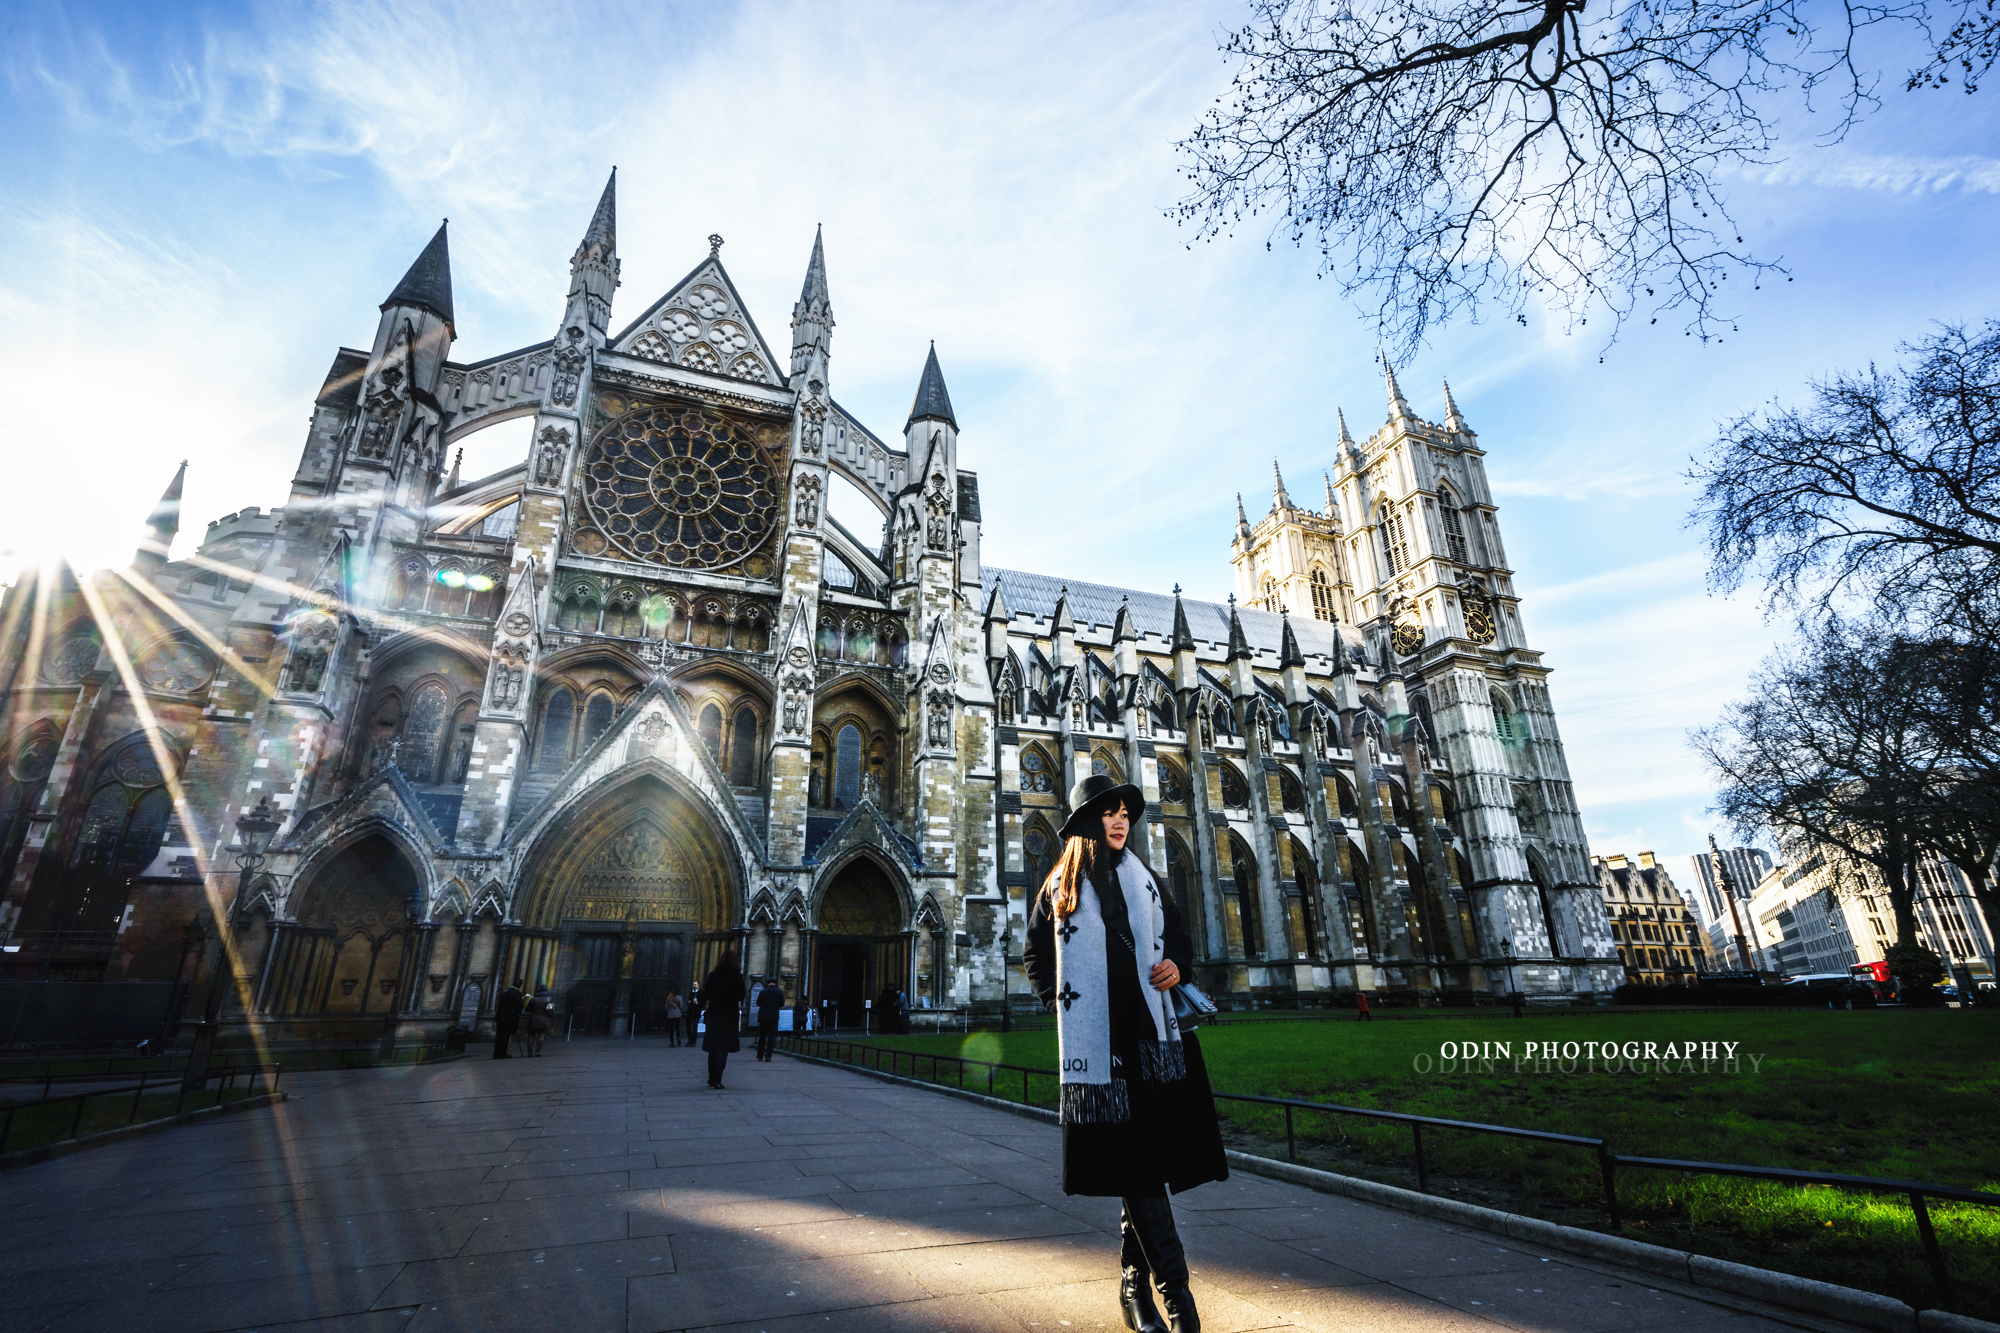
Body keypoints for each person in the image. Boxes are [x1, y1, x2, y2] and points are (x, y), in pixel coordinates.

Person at [1024, 775, 1225, 1333]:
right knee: (1140, 1168)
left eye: (1124, 813)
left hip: (1156, 1043)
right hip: (1103, 1053)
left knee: (1143, 1167)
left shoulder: (1147, 880)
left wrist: (1177, 966)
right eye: (1108, 812)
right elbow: (1037, 957)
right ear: (1088, 823)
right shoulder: (1060, 888)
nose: (1120, 821)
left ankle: (1135, 1290)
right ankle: (1178, 1300)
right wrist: (1068, 1005)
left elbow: (1178, 940)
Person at [699, 951, 746, 1089]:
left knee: (713, 1048)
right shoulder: (737, 977)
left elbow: (707, 995)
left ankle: (711, 1078)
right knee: (723, 1048)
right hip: (729, 1015)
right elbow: (741, 996)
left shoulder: (713, 975)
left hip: (715, 1013)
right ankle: (718, 1080)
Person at [493, 977, 526, 1060]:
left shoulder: (506, 991)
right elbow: (518, 1005)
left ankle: (497, 1053)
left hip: (501, 1017)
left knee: (499, 1036)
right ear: (520, 986)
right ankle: (502, 1053)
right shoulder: (516, 993)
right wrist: (522, 1001)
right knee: (505, 1036)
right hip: (508, 1018)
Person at [756, 979, 785, 1061]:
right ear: (775, 983)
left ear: (767, 983)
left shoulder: (763, 992)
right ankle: (768, 1055)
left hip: (763, 1017)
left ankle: (760, 1055)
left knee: (762, 1036)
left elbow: (758, 1003)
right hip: (773, 1017)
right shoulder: (779, 992)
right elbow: (782, 1004)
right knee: (771, 1037)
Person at [524, 985, 553, 1055]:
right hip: (544, 1019)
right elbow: (550, 1010)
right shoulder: (549, 999)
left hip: (533, 1019)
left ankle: (530, 1051)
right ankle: (537, 1051)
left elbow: (528, 1008)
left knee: (531, 1035)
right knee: (541, 1035)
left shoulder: (533, 999)